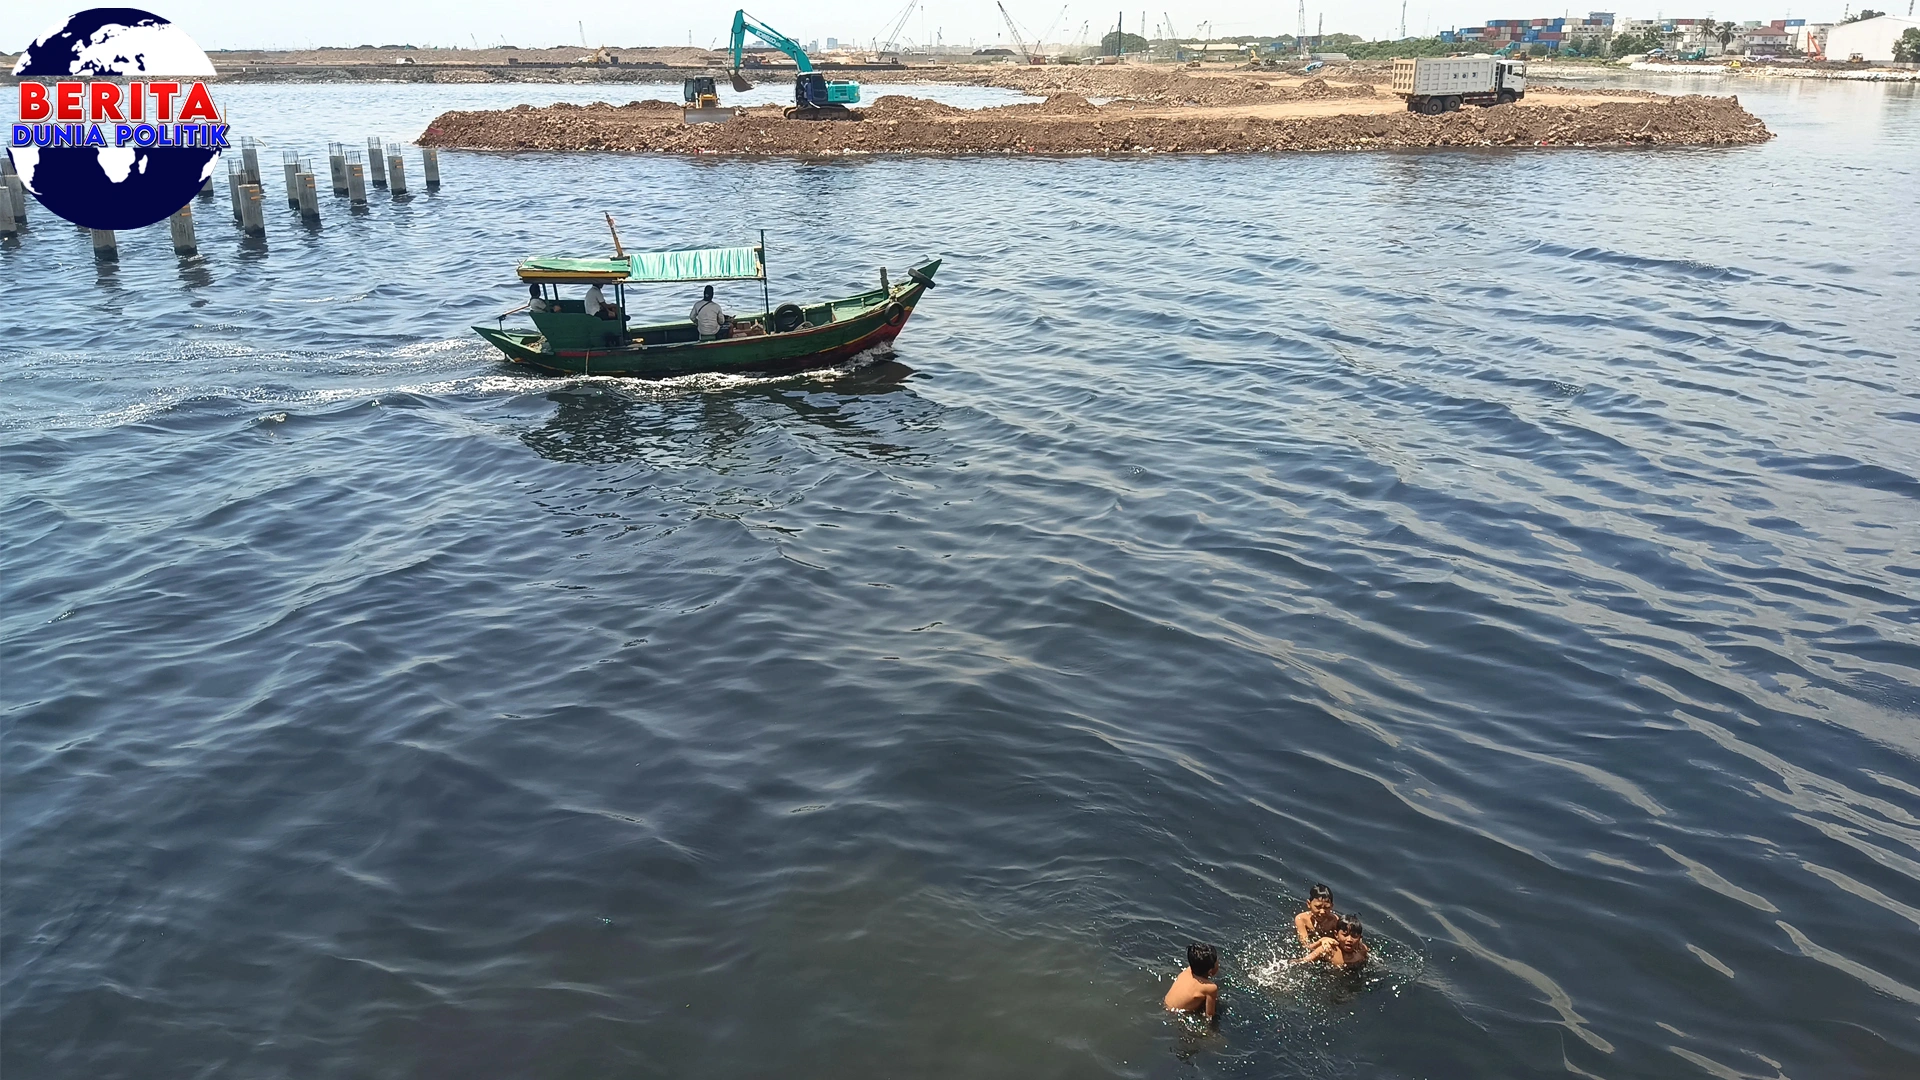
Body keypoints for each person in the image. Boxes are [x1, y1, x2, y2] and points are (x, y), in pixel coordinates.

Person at [1163, 943, 1220, 1021]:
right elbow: (1209, 1015)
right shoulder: (1211, 988)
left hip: (1166, 1005)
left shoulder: (1188, 970)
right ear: (1210, 971)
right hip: (1178, 1015)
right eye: (1217, 961)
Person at [1293, 919, 1369, 971]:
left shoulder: (1362, 950)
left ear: (1360, 938)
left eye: (1354, 936)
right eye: (1345, 935)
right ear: (1336, 935)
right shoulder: (1328, 949)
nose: (1349, 939)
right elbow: (1303, 961)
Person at [1295, 883, 1339, 948]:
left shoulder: (1334, 920)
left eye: (1326, 907)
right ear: (1308, 904)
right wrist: (1321, 941)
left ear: (1332, 906)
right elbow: (1306, 946)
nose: (1322, 912)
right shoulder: (1301, 919)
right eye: (1318, 907)